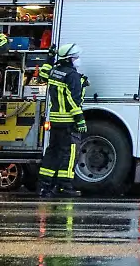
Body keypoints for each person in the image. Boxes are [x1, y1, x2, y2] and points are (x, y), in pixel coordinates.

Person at [38, 43, 87, 198]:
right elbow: (73, 100)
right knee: (69, 153)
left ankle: (44, 186)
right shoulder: (72, 76)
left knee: (52, 152)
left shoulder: (55, 71)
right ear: (70, 59)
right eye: (76, 57)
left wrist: (50, 57)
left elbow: (43, 73)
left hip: (55, 120)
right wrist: (80, 120)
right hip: (68, 121)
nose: (78, 60)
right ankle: (65, 186)